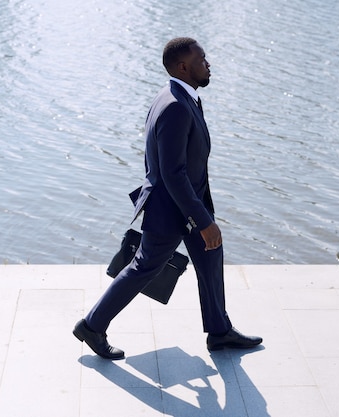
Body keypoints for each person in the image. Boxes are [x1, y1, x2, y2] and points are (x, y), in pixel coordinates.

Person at [73, 37, 262, 359]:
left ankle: (219, 331)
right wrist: (201, 220)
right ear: (183, 67)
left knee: (211, 254)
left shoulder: (179, 97)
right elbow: (173, 173)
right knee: (144, 266)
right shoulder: (175, 106)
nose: (209, 64)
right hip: (172, 207)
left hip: (187, 202)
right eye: (203, 60)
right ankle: (91, 325)